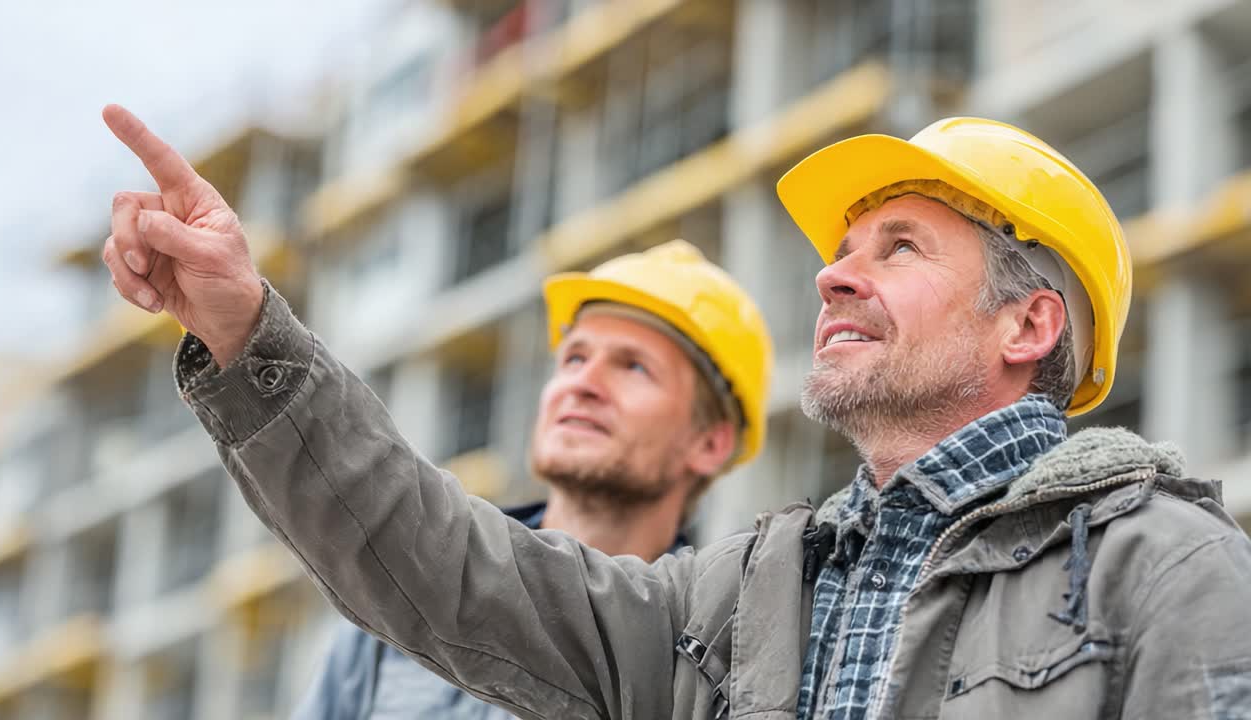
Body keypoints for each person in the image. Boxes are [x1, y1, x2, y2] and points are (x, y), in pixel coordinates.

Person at [101, 104, 1251, 720]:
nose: (831, 276)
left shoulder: (1161, 570)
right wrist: (250, 333)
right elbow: (440, 566)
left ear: (1027, 327)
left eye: (895, 247)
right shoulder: (738, 599)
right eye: (840, 251)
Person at [291, 239, 774, 720]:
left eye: (633, 366)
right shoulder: (404, 598)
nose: (582, 384)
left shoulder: (710, 660)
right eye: (575, 358)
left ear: (710, 443)